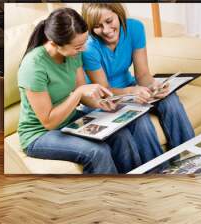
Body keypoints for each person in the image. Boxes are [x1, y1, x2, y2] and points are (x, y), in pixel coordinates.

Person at [18, 8, 148, 174]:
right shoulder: (33, 66)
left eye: (84, 43)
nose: (84, 49)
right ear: (54, 44)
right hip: (39, 134)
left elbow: (85, 95)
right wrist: (78, 93)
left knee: (120, 135)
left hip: (68, 120)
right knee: (97, 152)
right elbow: (49, 121)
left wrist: (102, 103)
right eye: (78, 47)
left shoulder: (74, 53)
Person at [81, 3, 195, 150]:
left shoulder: (134, 28)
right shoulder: (89, 48)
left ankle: (190, 155)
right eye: (97, 26)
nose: (106, 30)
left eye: (109, 21)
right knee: (139, 119)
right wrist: (130, 92)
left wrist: (153, 86)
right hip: (105, 99)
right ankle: (157, 170)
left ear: (119, 13)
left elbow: (142, 74)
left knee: (170, 100)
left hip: (130, 87)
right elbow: (105, 93)